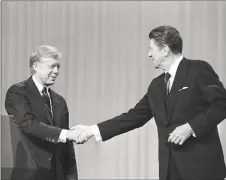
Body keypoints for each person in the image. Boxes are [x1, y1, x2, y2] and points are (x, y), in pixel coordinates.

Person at [73, 26, 226, 180]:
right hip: (169, 172)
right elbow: (133, 117)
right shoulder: (156, 86)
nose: (149, 54)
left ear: (165, 50)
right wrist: (91, 130)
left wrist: (190, 127)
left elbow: (222, 104)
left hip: (203, 170)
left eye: (151, 49)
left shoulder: (198, 69)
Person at [5, 45, 85, 180]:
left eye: (58, 67)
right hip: (29, 174)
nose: (56, 71)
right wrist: (66, 134)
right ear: (35, 66)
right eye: (52, 66)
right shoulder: (18, 92)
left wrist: (71, 177)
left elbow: (67, 147)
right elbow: (27, 123)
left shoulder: (60, 101)